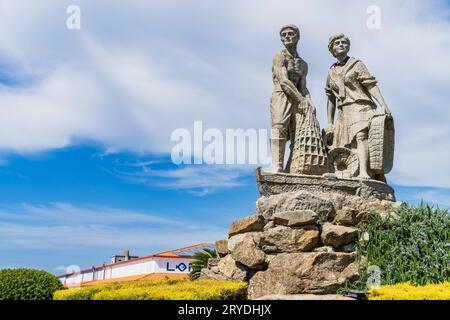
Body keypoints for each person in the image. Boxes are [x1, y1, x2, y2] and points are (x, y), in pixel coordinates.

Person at [325, 33, 392, 179]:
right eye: (337, 43)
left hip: (361, 106)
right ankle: (348, 173)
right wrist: (330, 122)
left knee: (361, 136)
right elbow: (330, 98)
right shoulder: (331, 72)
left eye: (343, 42)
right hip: (343, 111)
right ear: (332, 49)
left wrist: (383, 104)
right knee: (342, 144)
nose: (341, 45)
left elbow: (370, 85)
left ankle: (364, 172)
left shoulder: (357, 64)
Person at [270, 24, 313, 173]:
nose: (287, 36)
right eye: (284, 35)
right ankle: (277, 166)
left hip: (297, 97)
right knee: (279, 128)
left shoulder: (303, 64)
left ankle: (294, 167)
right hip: (281, 95)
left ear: (298, 37)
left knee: (299, 133)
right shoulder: (279, 56)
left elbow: (303, 86)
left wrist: (309, 102)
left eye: (290, 33)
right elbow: (284, 81)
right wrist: (301, 99)